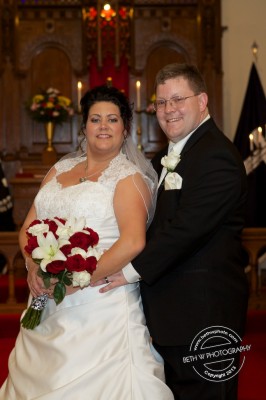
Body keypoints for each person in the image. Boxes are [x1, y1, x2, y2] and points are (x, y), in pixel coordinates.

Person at [0, 85, 174, 400]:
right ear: (84, 127)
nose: (103, 126)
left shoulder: (128, 178)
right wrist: (32, 266)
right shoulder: (59, 169)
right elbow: (28, 227)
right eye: (95, 119)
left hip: (99, 304)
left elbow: (133, 242)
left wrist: (76, 282)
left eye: (112, 119)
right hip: (46, 294)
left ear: (125, 129)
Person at [90, 64, 249, 400]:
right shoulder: (165, 157)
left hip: (205, 317)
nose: (168, 110)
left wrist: (129, 270)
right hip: (171, 316)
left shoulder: (217, 156)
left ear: (203, 101)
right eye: (161, 103)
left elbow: (186, 230)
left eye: (178, 99)